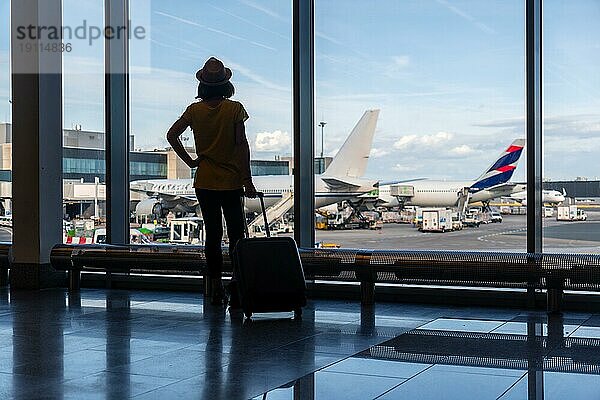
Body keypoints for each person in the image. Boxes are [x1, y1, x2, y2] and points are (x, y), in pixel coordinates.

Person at [166, 57, 257, 306]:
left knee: (213, 235)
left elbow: (172, 135)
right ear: (226, 84)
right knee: (238, 235)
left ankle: (216, 288)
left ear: (203, 85)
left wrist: (191, 161)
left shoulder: (194, 111)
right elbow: (241, 146)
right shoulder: (235, 109)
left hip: (204, 181)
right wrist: (246, 179)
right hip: (231, 181)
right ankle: (238, 283)